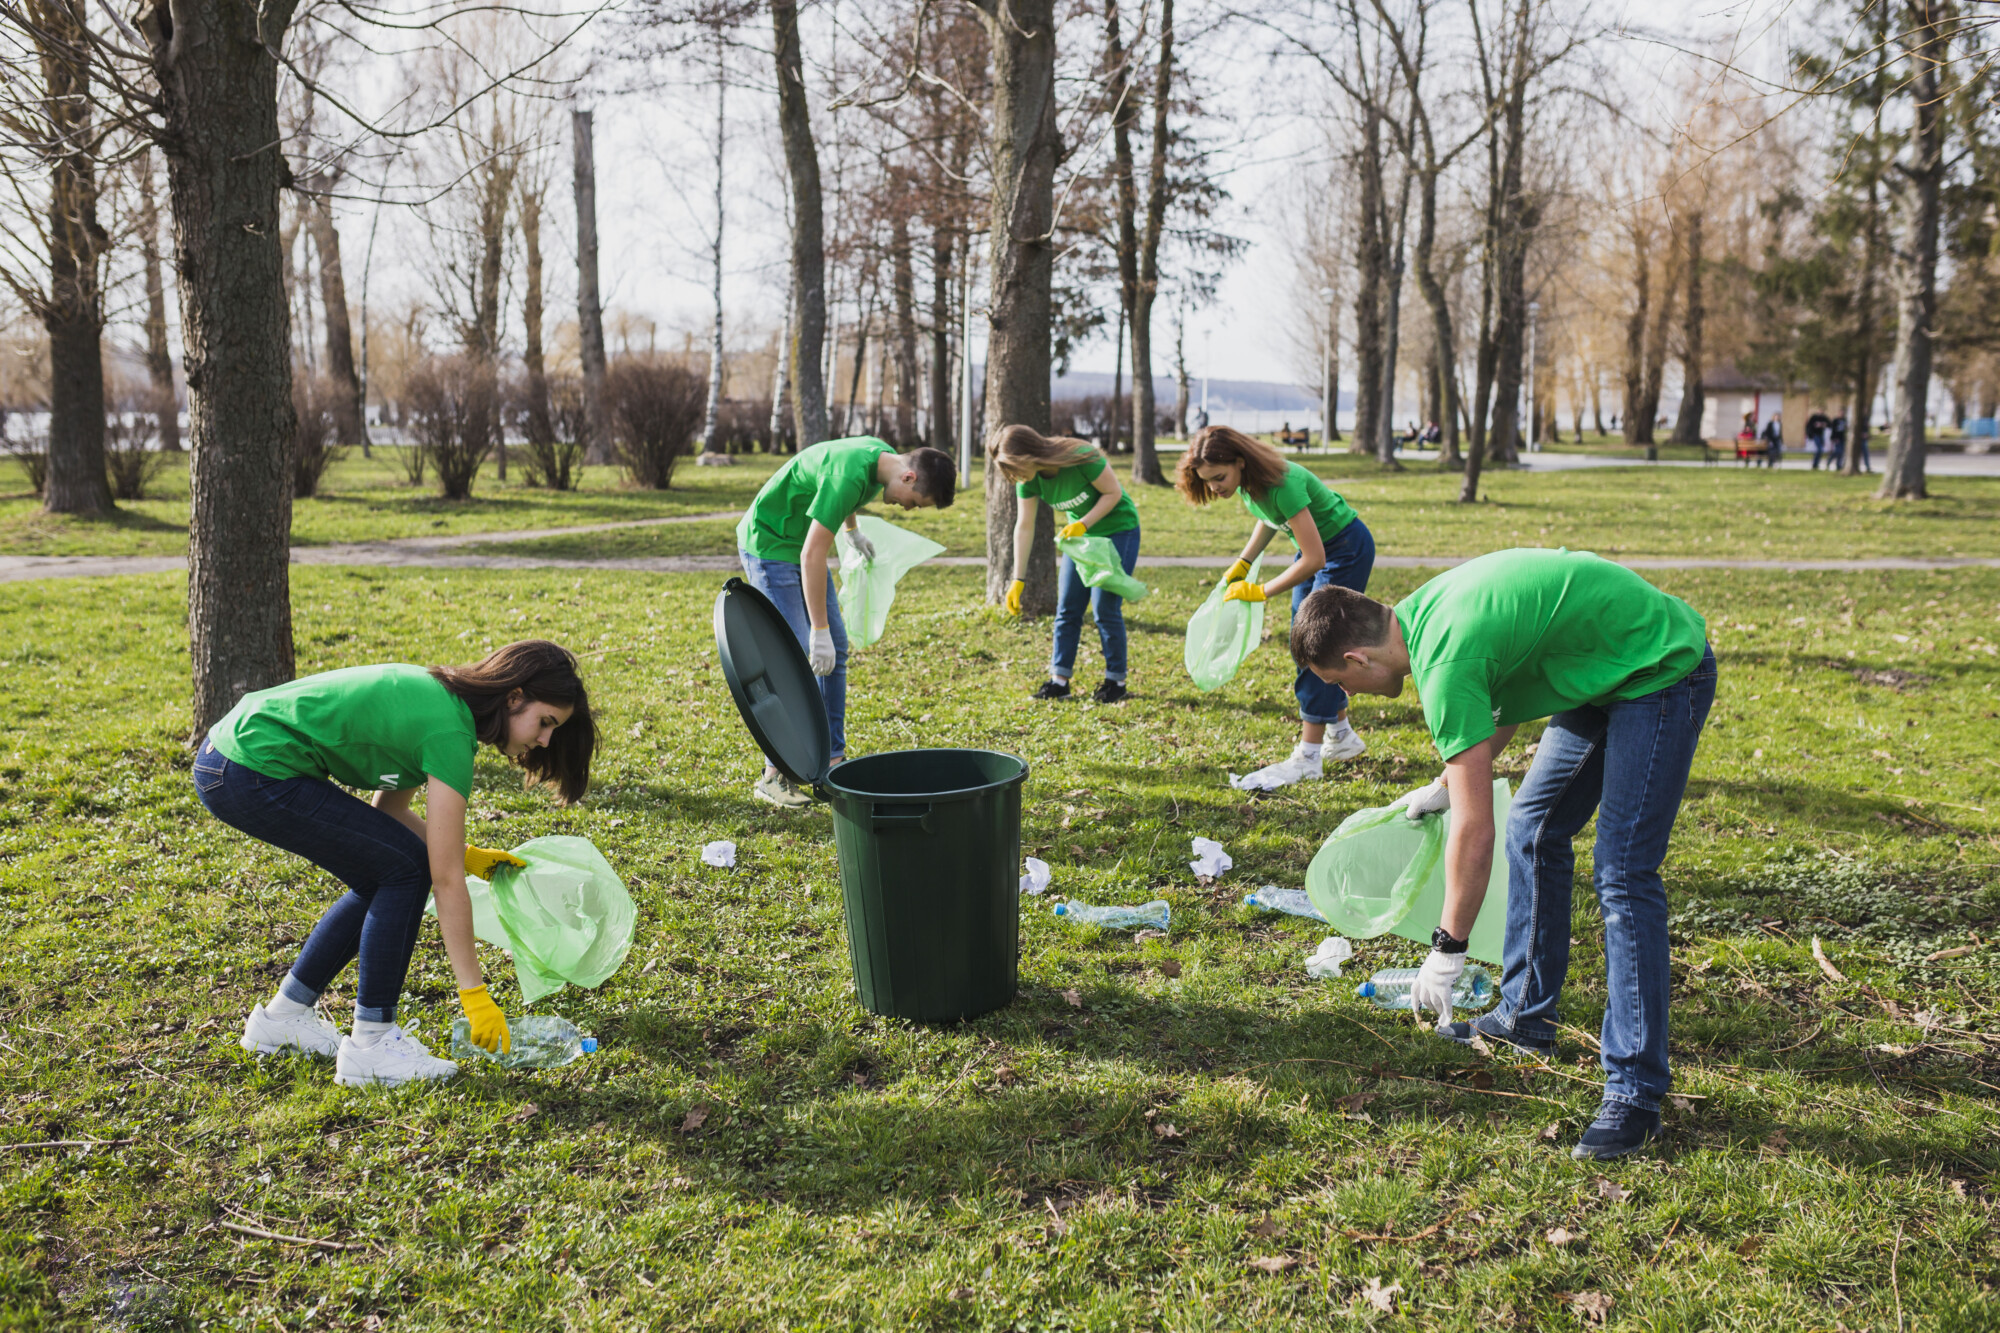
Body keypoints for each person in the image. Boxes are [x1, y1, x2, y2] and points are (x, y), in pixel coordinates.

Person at [1289, 549, 1715, 1160]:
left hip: (1660, 666)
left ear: (1355, 657)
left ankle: (1635, 1095)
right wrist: (1443, 787)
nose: (1348, 696)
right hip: (1603, 663)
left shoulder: (1442, 662)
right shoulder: (1419, 616)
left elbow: (1475, 828)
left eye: (1338, 683)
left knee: (1622, 875)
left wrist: (1447, 949)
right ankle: (1524, 1019)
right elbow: (1499, 697)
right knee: (1534, 830)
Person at [197, 642, 598, 1088]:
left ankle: (284, 1018)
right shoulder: (449, 732)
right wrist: (475, 996)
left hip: (231, 758)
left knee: (388, 870)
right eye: (545, 723)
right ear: (514, 696)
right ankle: (372, 1044)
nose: (543, 740)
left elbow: (388, 815)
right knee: (405, 870)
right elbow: (442, 881)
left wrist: (467, 857)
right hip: (251, 767)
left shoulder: (440, 704)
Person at [736, 436, 958, 807]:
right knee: (789, 659)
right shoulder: (850, 473)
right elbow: (812, 554)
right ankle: (773, 774)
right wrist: (817, 632)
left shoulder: (879, 460)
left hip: (801, 545)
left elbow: (843, 500)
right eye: (915, 503)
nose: (908, 510)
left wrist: (851, 529)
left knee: (835, 651)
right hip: (771, 544)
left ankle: (832, 761)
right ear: (907, 477)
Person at [1177, 425, 1374, 787]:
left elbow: (1314, 558)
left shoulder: (1281, 483)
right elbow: (1268, 518)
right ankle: (1341, 735)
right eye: (1209, 481)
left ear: (1239, 462)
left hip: (1344, 550)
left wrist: (1261, 591)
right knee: (1306, 641)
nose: (1216, 487)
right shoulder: (1250, 482)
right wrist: (1245, 562)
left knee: (1318, 645)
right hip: (1321, 551)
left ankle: (1309, 756)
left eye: (1219, 477)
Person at [993, 425, 1143, 703]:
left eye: (1014, 469)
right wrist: (1017, 580)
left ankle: (1116, 682)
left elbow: (1113, 494)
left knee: (1104, 608)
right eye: (1008, 473)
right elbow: (1024, 527)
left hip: (1118, 530)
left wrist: (1083, 524)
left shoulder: (1081, 455)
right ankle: (1059, 682)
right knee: (1068, 608)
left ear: (1029, 454)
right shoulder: (1029, 480)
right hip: (1081, 539)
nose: (1014, 477)